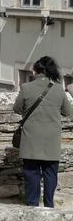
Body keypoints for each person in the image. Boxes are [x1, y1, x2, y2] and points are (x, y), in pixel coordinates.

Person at [14, 55, 73, 208]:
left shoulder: (26, 88)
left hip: (31, 140)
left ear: (36, 71)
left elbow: (17, 108)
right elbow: (67, 112)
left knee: (31, 174)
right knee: (50, 174)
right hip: (51, 141)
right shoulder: (58, 90)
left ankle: (32, 205)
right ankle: (49, 205)